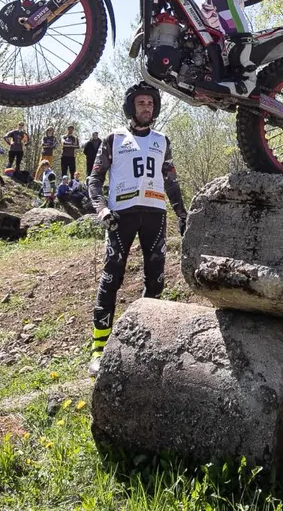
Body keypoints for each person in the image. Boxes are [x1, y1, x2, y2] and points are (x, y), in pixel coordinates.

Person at [87, 81, 188, 375]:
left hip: (155, 214)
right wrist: (102, 208)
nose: (147, 108)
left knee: (156, 280)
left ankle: (142, 343)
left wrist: (183, 214)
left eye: (151, 104)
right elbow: (94, 180)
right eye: (142, 103)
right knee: (111, 277)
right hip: (121, 216)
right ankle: (98, 349)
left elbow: (171, 180)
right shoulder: (113, 139)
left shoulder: (163, 140)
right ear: (131, 107)